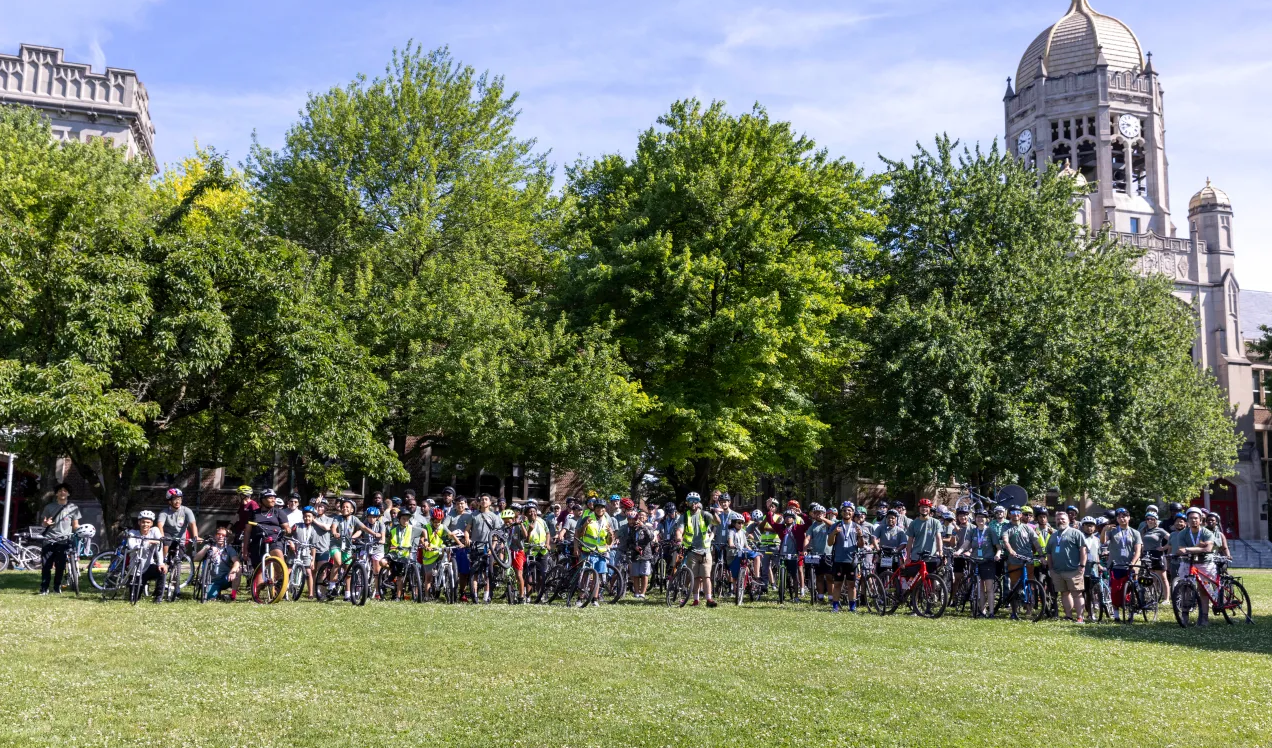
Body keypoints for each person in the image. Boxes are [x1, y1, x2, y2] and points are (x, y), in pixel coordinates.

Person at [1170, 507, 1216, 626]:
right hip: (1187, 562)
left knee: (1203, 590)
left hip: (1204, 563)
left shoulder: (1207, 533)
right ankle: (1184, 616)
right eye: (1191, 518)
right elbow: (1180, 550)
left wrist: (1188, 549)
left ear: (1201, 520)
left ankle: (1204, 618)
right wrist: (1199, 548)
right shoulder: (1183, 534)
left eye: (1196, 518)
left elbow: (1208, 549)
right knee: (1185, 589)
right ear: (1187, 521)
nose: (1193, 520)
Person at [674, 493, 720, 607]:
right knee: (694, 577)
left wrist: (714, 513)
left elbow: (717, 522)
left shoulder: (705, 514)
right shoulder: (685, 516)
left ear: (698, 502)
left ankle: (709, 599)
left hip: (705, 550)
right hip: (691, 550)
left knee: (706, 576)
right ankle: (696, 600)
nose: (693, 504)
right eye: (691, 501)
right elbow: (679, 530)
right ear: (687, 503)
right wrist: (679, 540)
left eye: (695, 501)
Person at [38, 482, 81, 595]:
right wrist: (46, 523)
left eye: (65, 490)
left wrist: (82, 532)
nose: (63, 492)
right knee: (46, 565)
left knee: (60, 566)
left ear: (68, 493)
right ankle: (44, 588)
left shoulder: (73, 508)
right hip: (49, 539)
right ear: (56, 493)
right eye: (60, 490)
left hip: (64, 540)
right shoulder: (49, 507)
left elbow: (75, 525)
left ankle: (57, 587)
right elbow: (43, 524)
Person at [459, 494, 504, 603]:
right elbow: (467, 529)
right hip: (476, 547)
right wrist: (467, 538)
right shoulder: (473, 515)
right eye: (482, 499)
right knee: (474, 572)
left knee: (487, 573)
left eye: (486, 499)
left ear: (490, 502)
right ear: (479, 503)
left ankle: (486, 596)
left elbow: (495, 535)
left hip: (488, 547)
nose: (484, 501)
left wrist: (492, 548)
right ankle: (474, 595)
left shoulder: (494, 516)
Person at [1045, 511, 1088, 622]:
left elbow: (1083, 550)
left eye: (1063, 519)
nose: (1061, 521)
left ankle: (1080, 617)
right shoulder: (1053, 536)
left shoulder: (1076, 533)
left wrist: (1082, 565)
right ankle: (1068, 616)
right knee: (1064, 593)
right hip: (1058, 571)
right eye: (1058, 519)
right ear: (1055, 520)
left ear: (1068, 520)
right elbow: (1049, 553)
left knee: (1077, 594)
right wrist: (1051, 569)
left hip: (1074, 569)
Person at [956, 508, 999, 617]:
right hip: (975, 561)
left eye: (982, 517)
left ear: (986, 519)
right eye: (978, 517)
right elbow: (967, 543)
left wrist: (997, 554)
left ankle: (991, 612)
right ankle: (982, 610)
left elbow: (998, 547)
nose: (980, 519)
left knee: (989, 588)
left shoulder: (990, 531)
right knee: (979, 588)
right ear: (975, 519)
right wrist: (959, 551)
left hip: (987, 561)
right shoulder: (973, 531)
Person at [575, 496, 615, 606]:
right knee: (585, 575)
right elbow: (580, 535)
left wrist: (611, 535)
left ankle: (594, 599)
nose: (600, 509)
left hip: (601, 552)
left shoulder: (607, 522)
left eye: (602, 508)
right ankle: (580, 598)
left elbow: (608, 540)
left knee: (597, 577)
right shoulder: (587, 518)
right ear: (594, 508)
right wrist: (585, 525)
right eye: (597, 507)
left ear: (605, 509)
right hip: (587, 550)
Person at [419, 508, 463, 599]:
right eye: (435, 522)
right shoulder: (426, 527)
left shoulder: (442, 527)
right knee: (429, 577)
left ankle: (445, 573)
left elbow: (451, 535)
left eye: (439, 521)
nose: (437, 524)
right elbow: (422, 538)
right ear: (431, 520)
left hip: (439, 550)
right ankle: (426, 596)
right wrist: (425, 544)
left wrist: (460, 544)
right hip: (429, 553)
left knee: (447, 552)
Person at [1106, 507, 1142, 621]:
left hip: (1129, 564)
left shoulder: (1135, 532)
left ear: (1129, 518)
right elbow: (1103, 541)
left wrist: (1133, 562)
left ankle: (1133, 608)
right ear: (1117, 519)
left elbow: (1138, 550)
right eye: (1120, 517)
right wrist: (1103, 530)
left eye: (1124, 516)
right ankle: (1116, 615)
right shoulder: (1112, 531)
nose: (1122, 519)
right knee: (1115, 590)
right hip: (1115, 565)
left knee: (1131, 588)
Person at [827, 503, 863, 612]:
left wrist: (860, 535)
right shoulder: (836, 525)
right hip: (839, 559)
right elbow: (829, 543)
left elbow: (861, 545)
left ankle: (852, 607)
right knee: (837, 583)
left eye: (849, 510)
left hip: (851, 560)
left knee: (852, 584)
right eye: (844, 510)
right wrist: (834, 533)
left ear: (852, 513)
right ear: (841, 512)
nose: (847, 512)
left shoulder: (857, 526)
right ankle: (835, 606)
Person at [126, 510, 168, 603]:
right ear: (139, 522)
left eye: (148, 522)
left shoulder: (155, 530)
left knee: (162, 571)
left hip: (148, 566)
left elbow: (159, 546)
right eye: (143, 522)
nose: (145, 524)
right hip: (135, 570)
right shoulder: (132, 533)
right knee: (134, 599)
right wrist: (148, 542)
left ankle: (158, 598)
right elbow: (133, 547)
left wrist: (161, 563)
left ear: (152, 523)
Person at [193, 526, 242, 601]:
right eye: (219, 534)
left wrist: (233, 570)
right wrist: (207, 548)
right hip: (212, 580)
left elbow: (236, 561)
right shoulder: (208, 547)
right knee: (210, 598)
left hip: (225, 578)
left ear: (226, 538)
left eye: (223, 535)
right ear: (215, 536)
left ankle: (233, 595)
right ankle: (218, 593)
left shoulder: (229, 549)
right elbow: (196, 559)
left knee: (238, 569)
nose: (221, 537)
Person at [1140, 511, 1171, 603]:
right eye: (1148, 519)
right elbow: (1140, 542)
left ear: (1155, 520)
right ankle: (1153, 597)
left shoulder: (1160, 530)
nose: (1150, 520)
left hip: (1157, 554)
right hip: (1146, 555)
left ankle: (1166, 599)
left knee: (1163, 577)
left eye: (1152, 519)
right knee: (1150, 578)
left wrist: (1163, 548)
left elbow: (1171, 539)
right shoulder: (1143, 530)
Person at [804, 504, 834, 602]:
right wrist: (804, 549)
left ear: (824, 514)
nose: (818, 515)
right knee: (819, 576)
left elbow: (834, 525)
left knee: (829, 577)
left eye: (820, 513)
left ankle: (831, 597)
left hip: (828, 554)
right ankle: (820, 597)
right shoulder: (812, 527)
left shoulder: (828, 524)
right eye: (816, 513)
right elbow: (807, 538)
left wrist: (824, 519)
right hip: (816, 554)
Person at [385, 509, 417, 599]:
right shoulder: (393, 529)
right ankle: (392, 574)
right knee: (382, 562)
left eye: (407, 519)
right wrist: (390, 547)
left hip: (405, 554)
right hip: (394, 553)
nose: (405, 521)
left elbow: (424, 531)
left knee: (400, 577)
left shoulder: (411, 528)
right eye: (403, 519)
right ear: (399, 519)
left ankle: (398, 597)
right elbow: (389, 541)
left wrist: (425, 541)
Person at [289, 506, 318, 599]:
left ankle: (310, 593)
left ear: (313, 518)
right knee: (288, 570)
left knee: (309, 572)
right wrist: (291, 543)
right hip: (295, 552)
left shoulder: (314, 530)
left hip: (306, 553)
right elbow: (288, 535)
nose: (307, 518)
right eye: (305, 516)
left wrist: (313, 560)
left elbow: (313, 546)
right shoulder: (296, 526)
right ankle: (283, 589)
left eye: (309, 516)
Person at [905, 498, 944, 564]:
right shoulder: (913, 523)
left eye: (926, 507)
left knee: (931, 574)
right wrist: (908, 557)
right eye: (922, 507)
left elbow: (939, 538)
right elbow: (910, 541)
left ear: (929, 509)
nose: (924, 509)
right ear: (919, 508)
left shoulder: (935, 522)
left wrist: (940, 552)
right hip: (916, 557)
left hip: (931, 557)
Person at [1079, 517, 1102, 621]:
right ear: (1083, 526)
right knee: (1084, 591)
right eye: (1087, 525)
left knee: (1093, 592)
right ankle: (1085, 612)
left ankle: (1092, 611)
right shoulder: (1080, 537)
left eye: (1091, 526)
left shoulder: (1097, 539)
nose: (1089, 528)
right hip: (1083, 568)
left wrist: (1099, 565)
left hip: (1094, 568)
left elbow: (1096, 554)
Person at [364, 506, 388, 596]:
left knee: (376, 571)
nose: (371, 519)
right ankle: (359, 588)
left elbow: (383, 537)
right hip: (366, 548)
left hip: (377, 548)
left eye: (373, 517)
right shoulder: (365, 523)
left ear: (377, 517)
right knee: (361, 564)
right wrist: (354, 537)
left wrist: (381, 539)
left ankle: (378, 591)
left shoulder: (381, 524)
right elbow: (360, 531)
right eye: (369, 516)